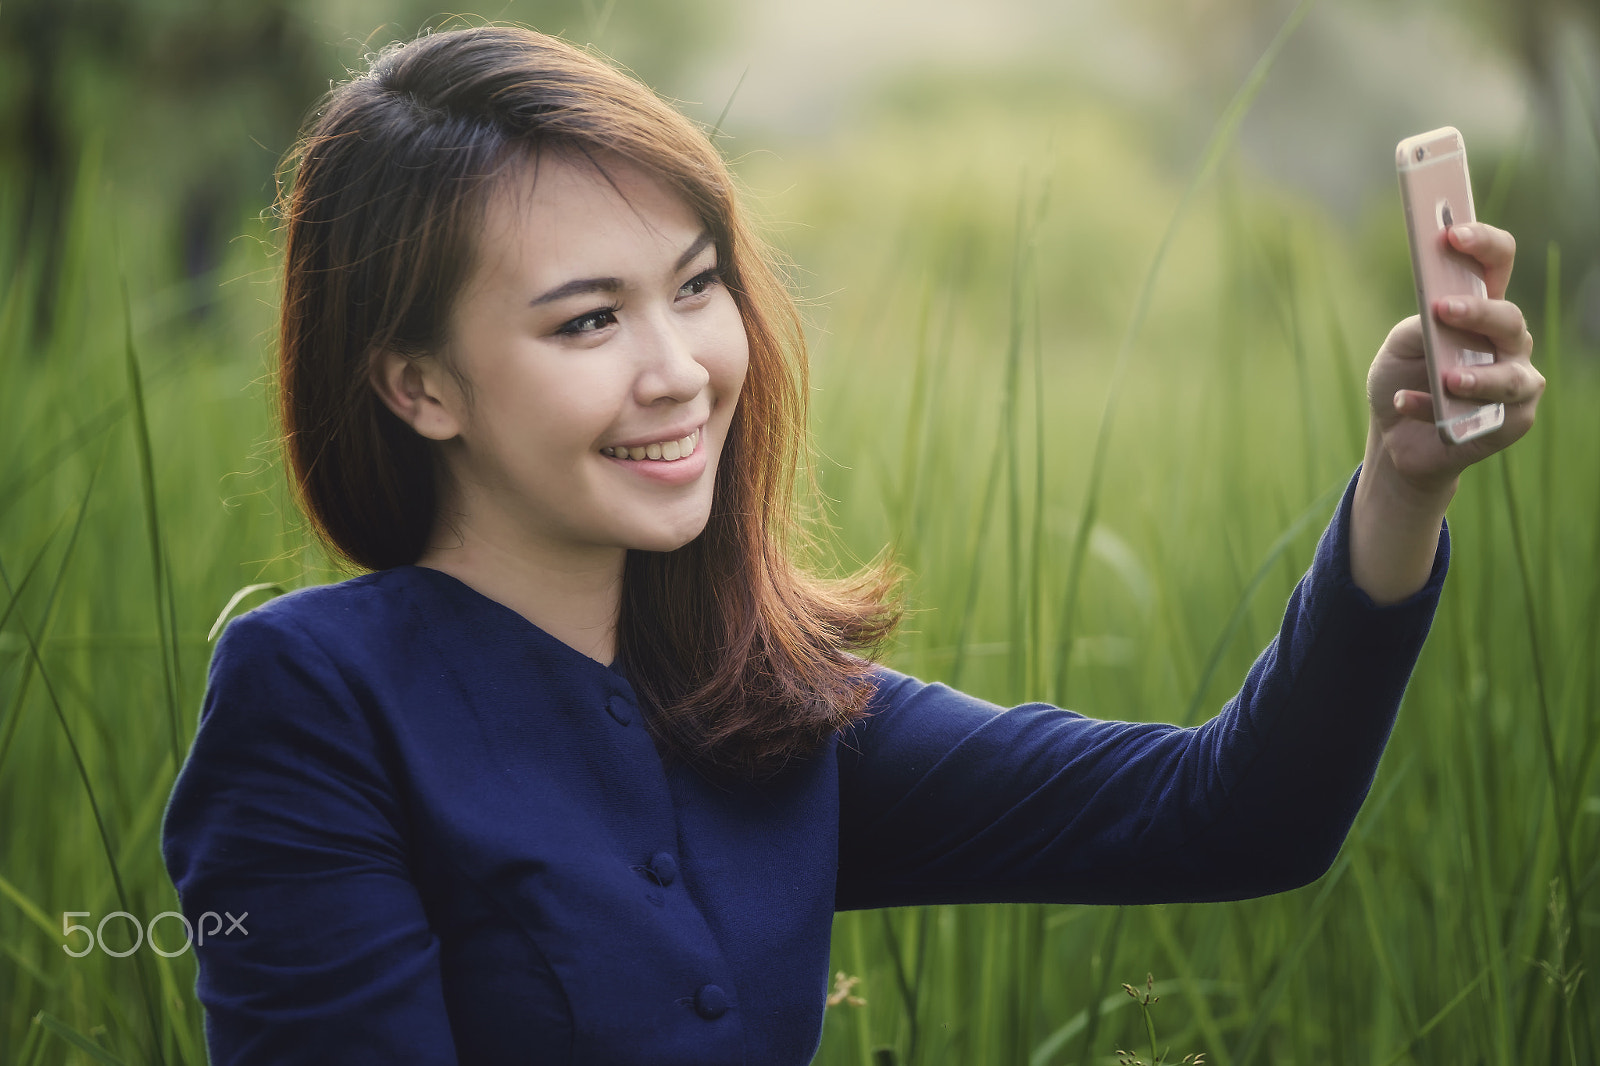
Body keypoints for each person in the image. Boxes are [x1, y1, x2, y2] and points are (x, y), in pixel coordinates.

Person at [159, 23, 1545, 1066]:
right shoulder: (318, 702)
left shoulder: (760, 702)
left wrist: (1402, 483)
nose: (682, 369)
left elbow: (1235, 813)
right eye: (587, 319)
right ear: (418, 383)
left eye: (697, 288)